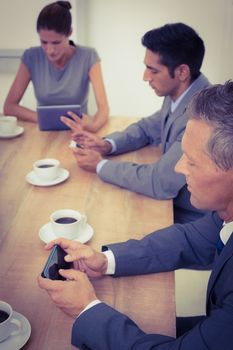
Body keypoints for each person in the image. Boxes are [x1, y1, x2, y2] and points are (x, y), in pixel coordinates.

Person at [38, 81, 233, 349]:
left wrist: (85, 309)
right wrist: (105, 260)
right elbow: (189, 239)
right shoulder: (225, 215)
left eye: (191, 160)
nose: (177, 167)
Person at [62, 22, 210, 223]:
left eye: (153, 70)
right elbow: (148, 127)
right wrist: (107, 144)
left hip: (189, 219)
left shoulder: (200, 117)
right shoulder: (183, 92)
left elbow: (159, 182)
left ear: (182, 72)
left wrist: (100, 165)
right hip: (173, 205)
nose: (145, 77)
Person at [3, 1, 109, 132]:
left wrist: (92, 127)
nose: (50, 50)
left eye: (56, 42)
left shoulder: (88, 56)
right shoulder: (31, 57)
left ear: (69, 32)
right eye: (44, 42)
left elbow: (103, 108)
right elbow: (9, 107)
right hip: (43, 133)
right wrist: (43, 119)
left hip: (78, 132)